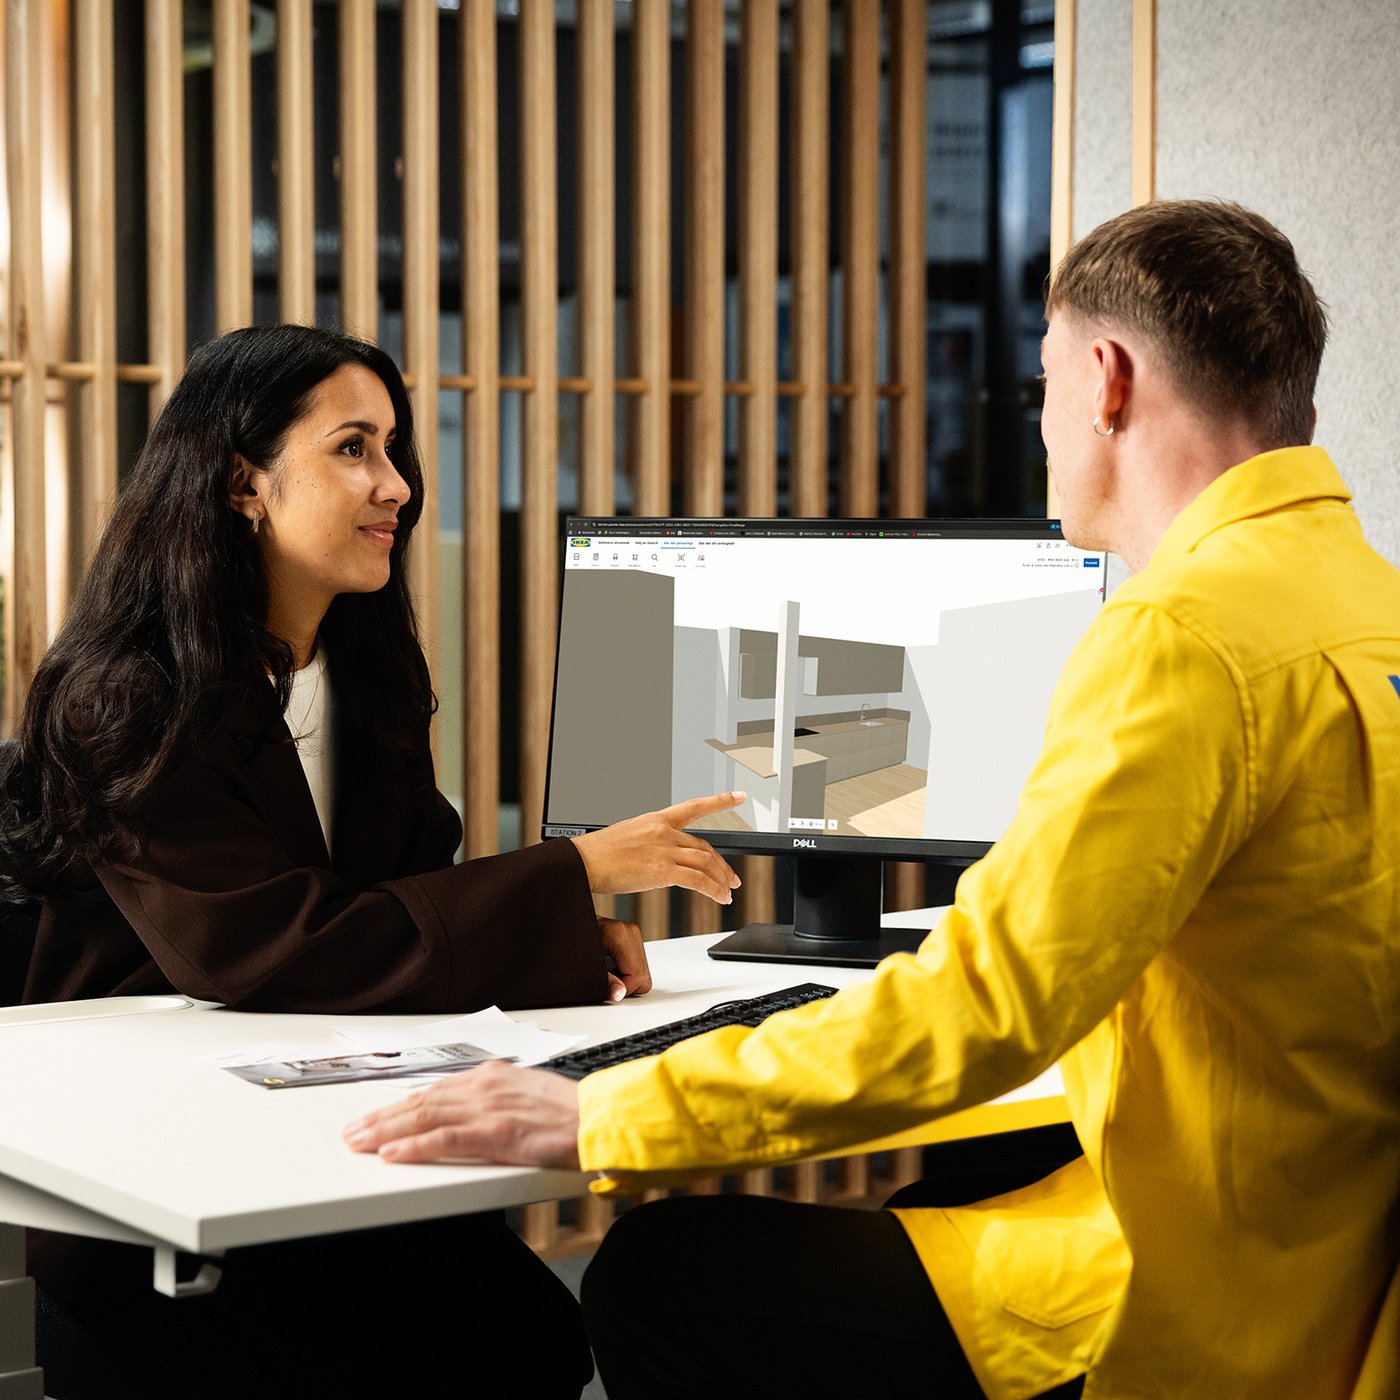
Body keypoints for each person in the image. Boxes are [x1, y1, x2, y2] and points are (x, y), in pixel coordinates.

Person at [345, 200, 1400, 1400]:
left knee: (661, 1272)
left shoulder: (1179, 635)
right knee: (927, 1196)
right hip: (1338, 1253)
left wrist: (596, 1113)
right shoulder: (1367, 602)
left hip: (1205, 1287)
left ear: (1104, 382)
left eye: (1041, 382)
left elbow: (983, 1010)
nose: (1041, 424)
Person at [0, 322, 745, 1400]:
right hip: (166, 1181)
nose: (395, 484)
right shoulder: (127, 698)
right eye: (353, 448)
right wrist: (567, 875)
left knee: (529, 1335)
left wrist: (556, 941)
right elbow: (266, 946)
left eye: (393, 449)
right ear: (242, 484)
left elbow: (402, 897)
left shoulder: (368, 667)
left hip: (326, 1134)